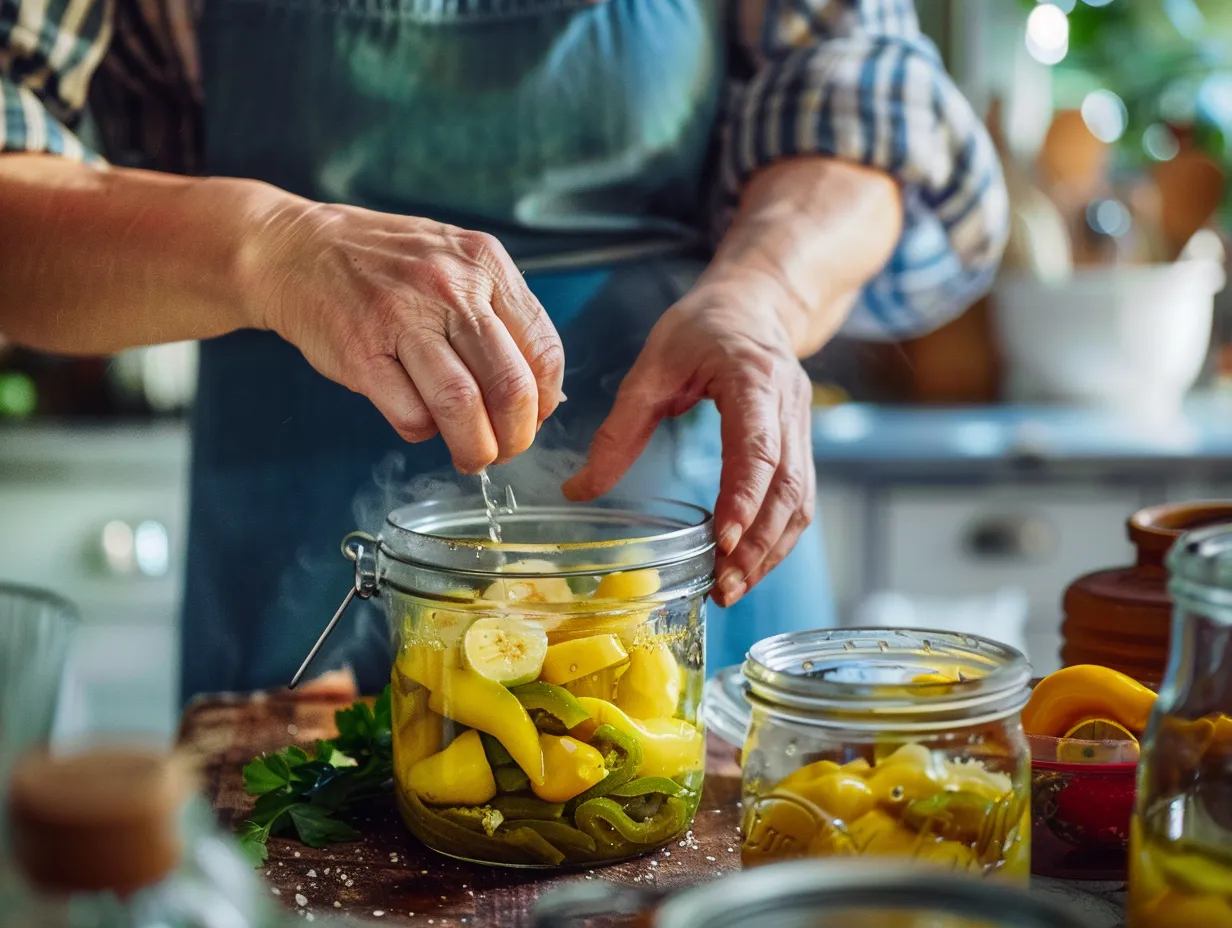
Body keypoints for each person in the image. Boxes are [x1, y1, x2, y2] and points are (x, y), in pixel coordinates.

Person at [0, 0, 1006, 698]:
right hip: (291, 558)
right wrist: (275, 247)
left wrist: (761, 296)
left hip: (686, 542)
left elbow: (861, 106)